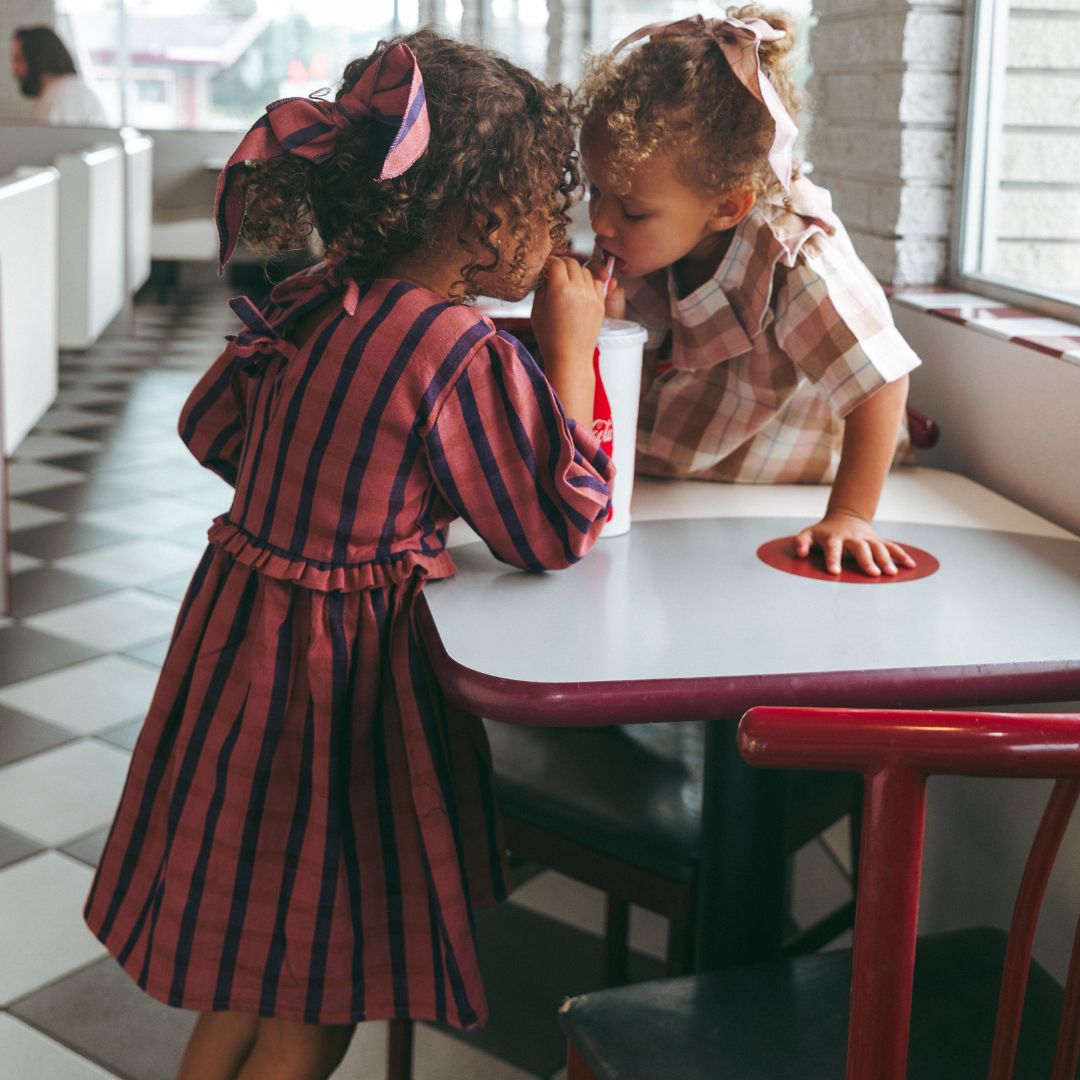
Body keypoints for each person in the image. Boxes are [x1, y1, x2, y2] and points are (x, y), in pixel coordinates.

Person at [83, 29, 612, 1080]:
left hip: (235, 655)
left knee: (249, 966)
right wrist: (571, 351)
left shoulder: (314, 295)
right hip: (339, 699)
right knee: (320, 982)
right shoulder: (457, 349)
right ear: (492, 218)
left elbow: (213, 430)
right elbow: (554, 529)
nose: (564, 231)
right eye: (553, 206)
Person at [579, 8, 923, 577]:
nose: (602, 223)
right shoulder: (638, 241)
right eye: (596, 191)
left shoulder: (794, 260)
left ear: (726, 206)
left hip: (776, 484)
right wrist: (607, 324)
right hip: (671, 484)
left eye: (631, 210)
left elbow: (882, 385)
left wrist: (851, 514)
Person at [11, 25, 108, 125]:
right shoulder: (59, 92)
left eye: (19, 60)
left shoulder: (65, 95)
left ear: (38, 59)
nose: (14, 71)